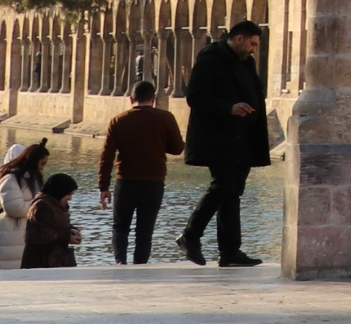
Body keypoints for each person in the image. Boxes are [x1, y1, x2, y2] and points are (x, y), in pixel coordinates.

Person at [177, 18, 270, 267]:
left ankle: (230, 251)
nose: (253, 49)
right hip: (218, 138)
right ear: (238, 38)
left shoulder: (245, 62)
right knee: (223, 185)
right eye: (251, 43)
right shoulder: (211, 59)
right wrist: (229, 108)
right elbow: (196, 96)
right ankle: (190, 235)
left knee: (233, 191)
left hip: (242, 139)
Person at [99, 81, 185, 265]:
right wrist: (159, 143)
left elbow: (106, 157)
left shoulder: (118, 120)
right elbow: (178, 148)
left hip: (126, 181)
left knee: (120, 227)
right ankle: (140, 266)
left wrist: (103, 187)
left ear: (131, 99)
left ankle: (120, 262)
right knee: (145, 230)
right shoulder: (165, 118)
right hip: (153, 181)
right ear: (153, 99)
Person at [0, 142, 47, 271]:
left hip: (22, 238)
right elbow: (15, 208)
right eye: (42, 163)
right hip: (10, 239)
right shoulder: (10, 179)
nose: (42, 168)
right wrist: (41, 206)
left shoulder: (33, 180)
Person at [21, 172, 81, 269]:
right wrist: (67, 238)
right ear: (60, 191)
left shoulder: (58, 204)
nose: (70, 198)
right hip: (41, 260)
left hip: (57, 259)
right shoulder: (41, 205)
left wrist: (72, 230)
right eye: (69, 194)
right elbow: (42, 233)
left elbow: (58, 225)